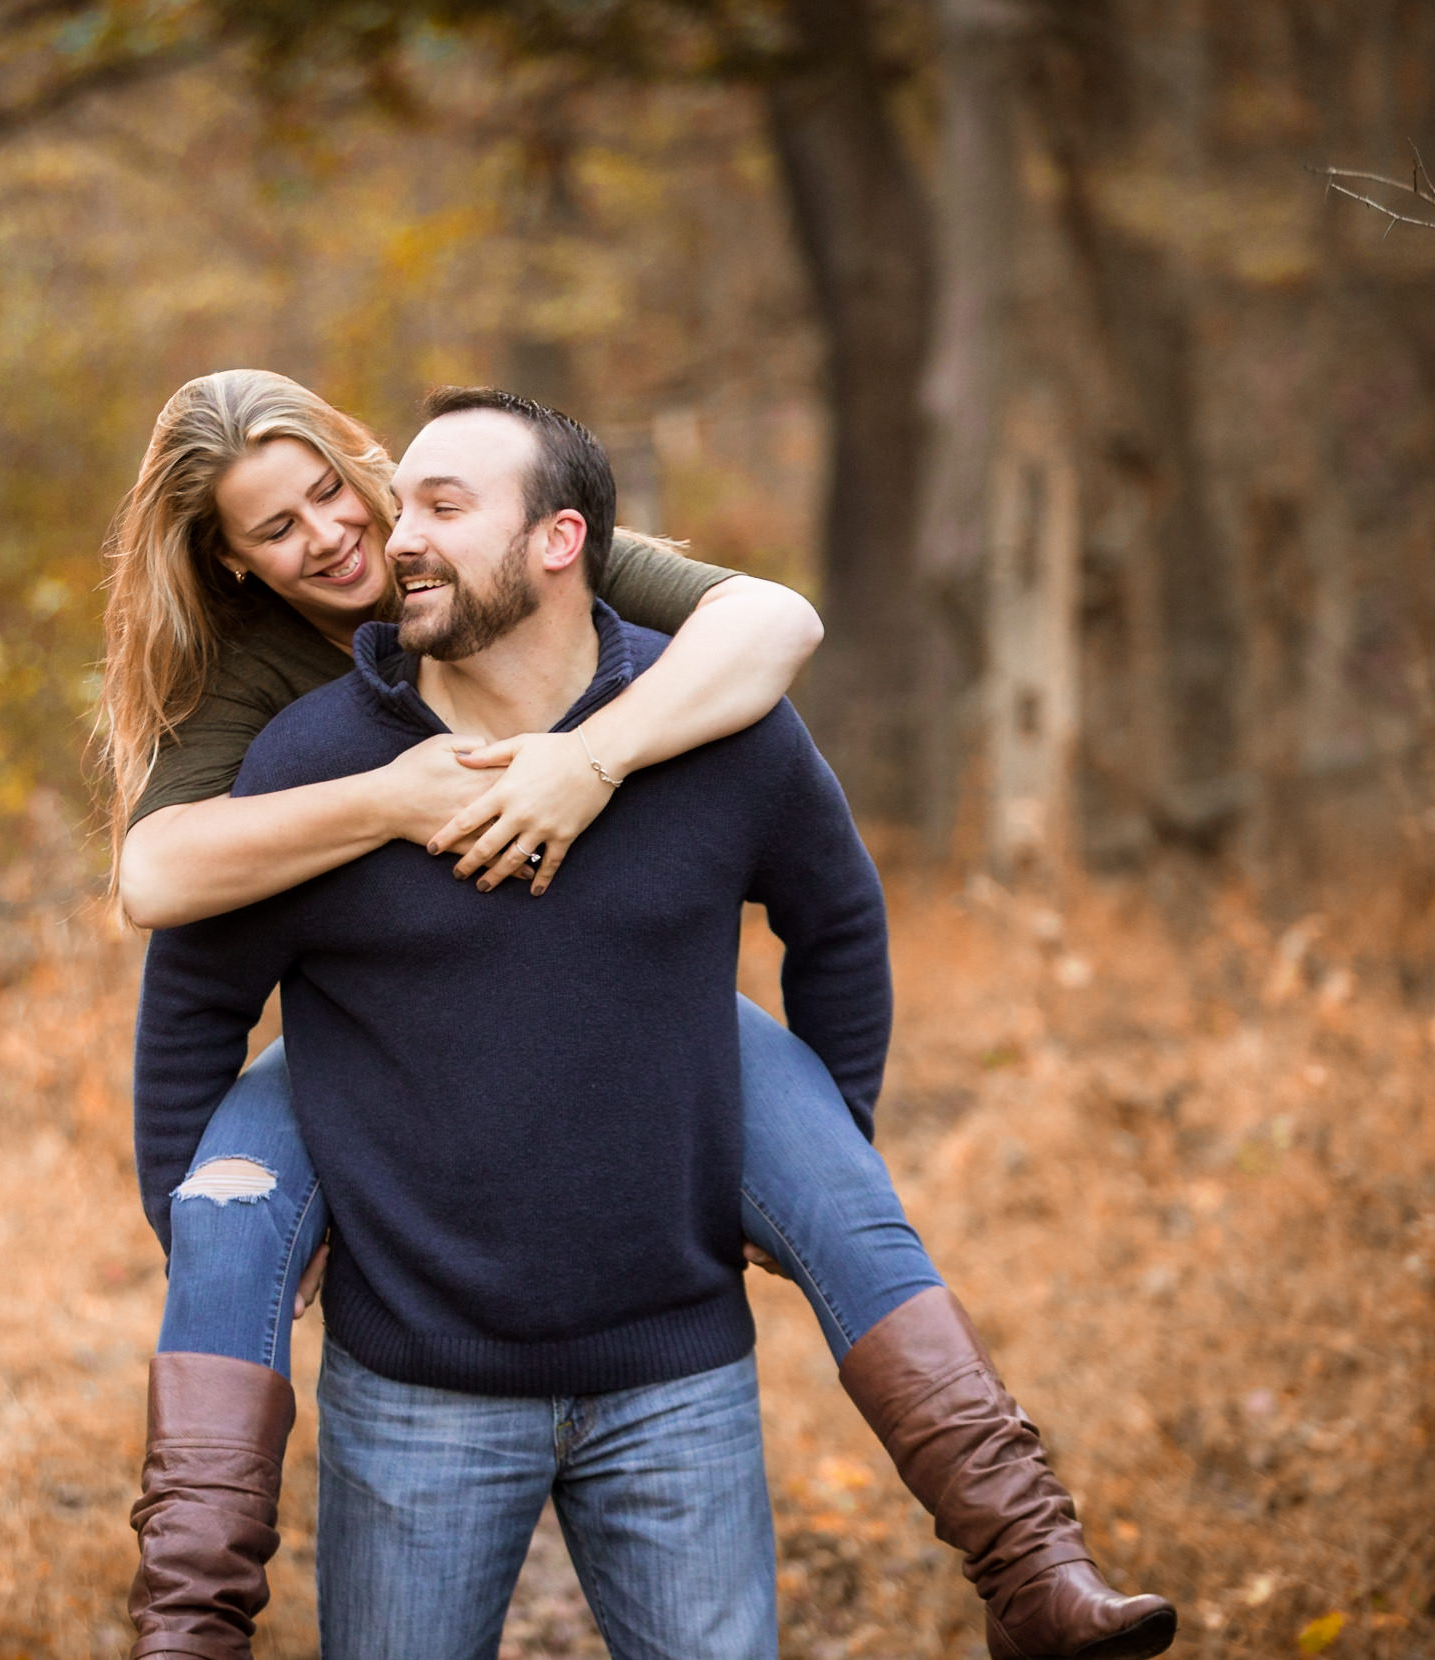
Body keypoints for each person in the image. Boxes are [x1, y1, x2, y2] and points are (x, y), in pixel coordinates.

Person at [99, 372, 1174, 1660]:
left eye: (339, 493)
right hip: (369, 1042)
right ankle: (187, 1625)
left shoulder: (533, 546)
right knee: (221, 1214)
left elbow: (774, 625)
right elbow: (159, 891)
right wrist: (392, 797)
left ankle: (1034, 1570)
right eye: (275, 530)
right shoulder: (269, 699)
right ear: (231, 564)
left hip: (656, 1049)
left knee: (834, 1179)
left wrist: (589, 757)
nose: (337, 539)